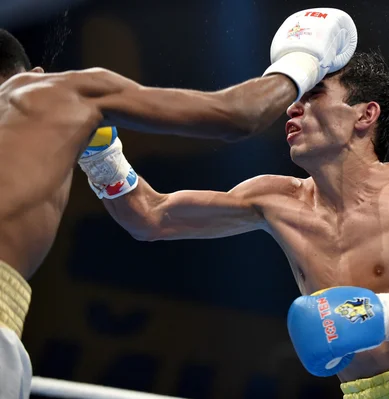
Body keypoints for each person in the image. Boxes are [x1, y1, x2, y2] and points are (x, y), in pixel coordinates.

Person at [79, 46, 389, 398]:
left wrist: (381, 315)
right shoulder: (274, 199)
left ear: (365, 114)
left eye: (314, 94)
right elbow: (150, 218)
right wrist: (99, 152)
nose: (292, 108)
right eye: (294, 98)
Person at [0, 8, 357, 398]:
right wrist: (304, 58)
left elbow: (146, 217)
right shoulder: (49, 92)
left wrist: (104, 159)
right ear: (33, 77)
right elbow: (237, 114)